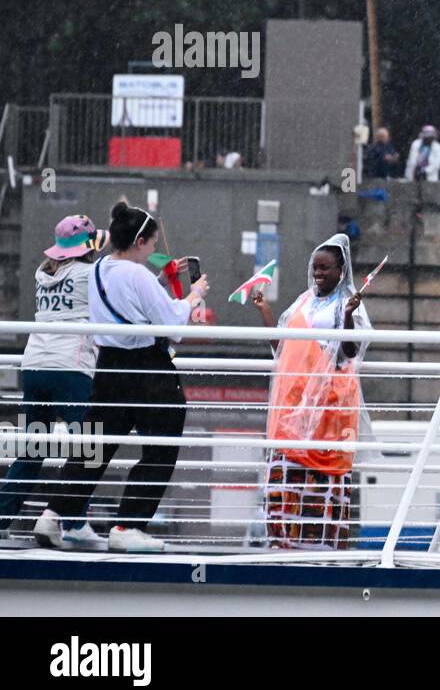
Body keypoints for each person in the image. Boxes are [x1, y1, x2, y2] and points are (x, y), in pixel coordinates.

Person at [34, 203, 208, 553]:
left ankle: (53, 514)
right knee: (161, 444)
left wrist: (162, 280)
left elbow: (127, 301)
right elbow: (171, 326)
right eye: (153, 244)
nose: (155, 251)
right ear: (140, 241)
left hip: (108, 367)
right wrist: (193, 296)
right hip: (147, 369)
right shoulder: (138, 274)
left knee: (95, 445)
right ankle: (128, 524)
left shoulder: (99, 269)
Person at [248, 234, 372, 549]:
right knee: (286, 480)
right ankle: (282, 544)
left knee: (323, 485)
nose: (319, 274)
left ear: (341, 270)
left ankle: (322, 549)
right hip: (292, 411)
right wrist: (264, 312)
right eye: (315, 268)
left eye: (326, 268)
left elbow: (349, 353)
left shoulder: (349, 305)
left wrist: (346, 316)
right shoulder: (302, 302)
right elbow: (283, 350)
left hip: (329, 411)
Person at [0, 216, 105, 543]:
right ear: (87, 247)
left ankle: (2, 518)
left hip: (33, 367)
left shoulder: (42, 273)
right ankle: (73, 524)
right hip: (70, 367)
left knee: (32, 449)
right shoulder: (91, 274)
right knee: (87, 448)